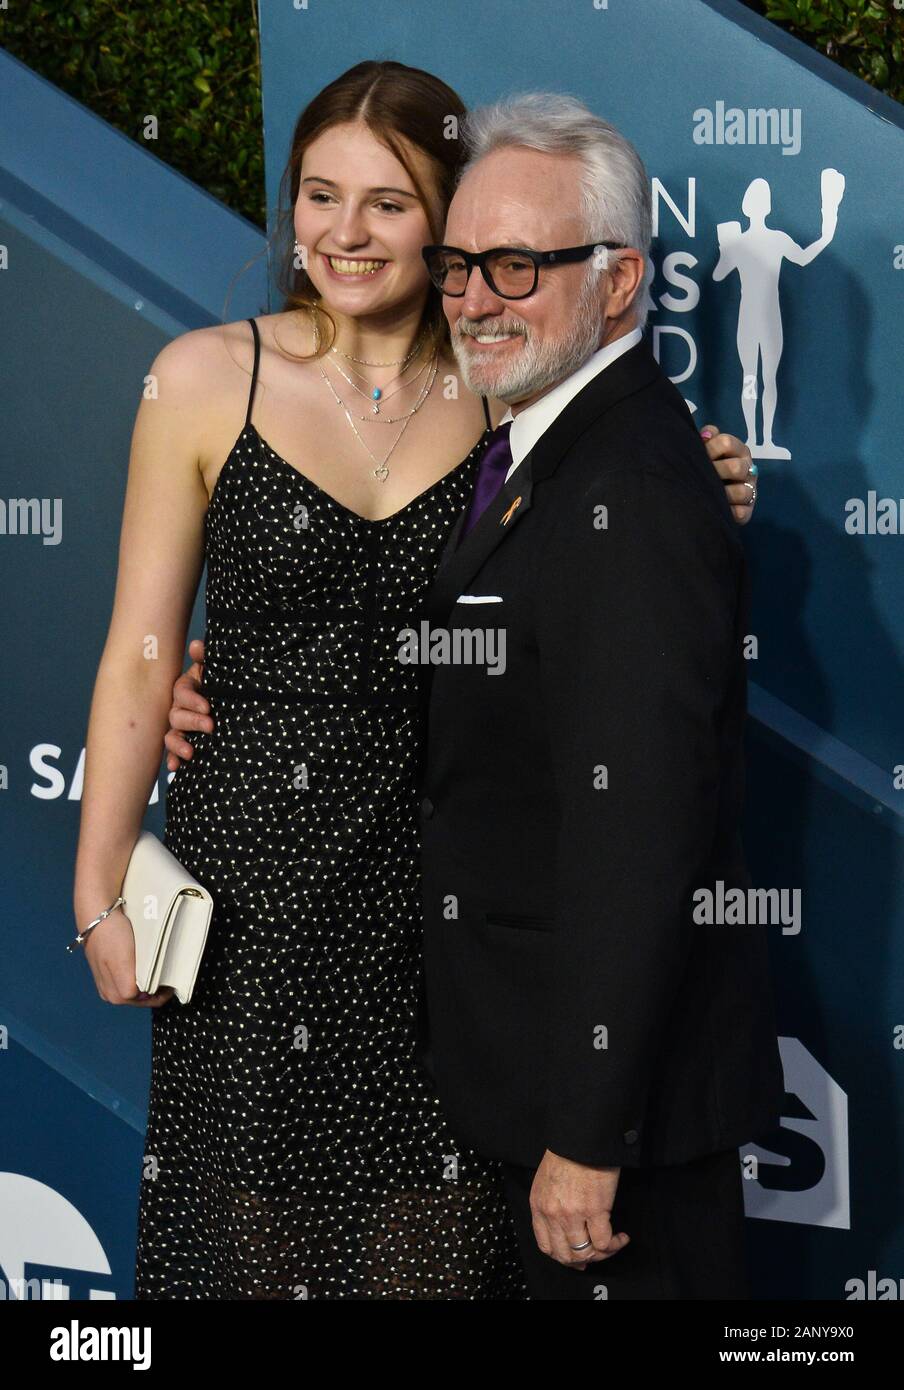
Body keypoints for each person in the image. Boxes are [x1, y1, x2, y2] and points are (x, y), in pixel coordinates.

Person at [89, 61, 756, 1301]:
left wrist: (701, 472)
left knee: (433, 1254)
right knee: (240, 1247)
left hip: (432, 922)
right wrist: (100, 877)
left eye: (389, 203)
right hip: (258, 895)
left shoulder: (510, 397)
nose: (348, 233)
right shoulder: (201, 378)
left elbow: (607, 527)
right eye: (319, 195)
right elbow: (139, 645)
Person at [414, 93, 785, 1300]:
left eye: (517, 265)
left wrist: (585, 1132)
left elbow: (642, 837)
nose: (475, 298)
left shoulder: (629, 488)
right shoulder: (546, 444)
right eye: (459, 263)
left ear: (619, 283)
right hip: (538, 1078)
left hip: (608, 1126)